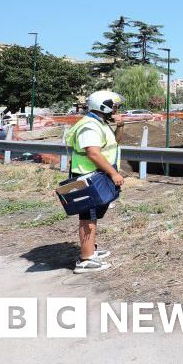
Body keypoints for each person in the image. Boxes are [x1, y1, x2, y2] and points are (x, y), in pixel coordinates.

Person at [64, 90, 126, 274]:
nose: (115, 109)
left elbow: (114, 142)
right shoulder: (89, 126)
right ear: (103, 105)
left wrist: (120, 126)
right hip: (87, 176)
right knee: (87, 217)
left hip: (96, 176)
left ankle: (91, 250)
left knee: (93, 215)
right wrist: (113, 173)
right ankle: (86, 259)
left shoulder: (100, 123)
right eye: (113, 106)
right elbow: (93, 153)